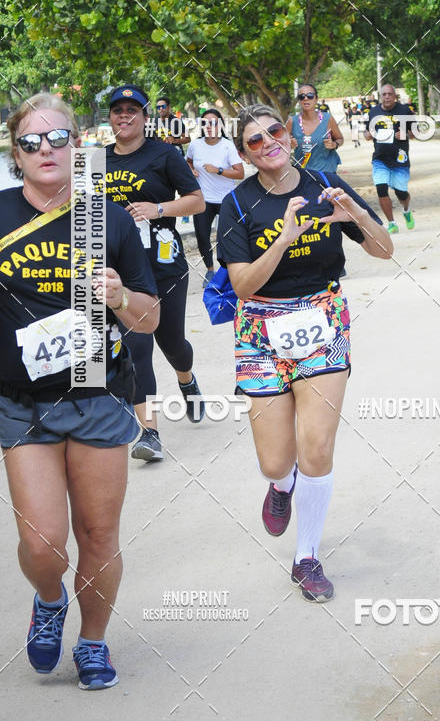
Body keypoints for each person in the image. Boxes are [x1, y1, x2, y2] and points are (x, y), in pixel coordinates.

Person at [0, 93, 159, 689]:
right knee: (43, 543)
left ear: (78, 144)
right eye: (30, 142)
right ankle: (49, 599)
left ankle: (93, 641)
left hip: (97, 393)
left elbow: (148, 318)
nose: (45, 149)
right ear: (16, 155)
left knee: (97, 534)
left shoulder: (106, 219)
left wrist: (120, 297)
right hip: (23, 403)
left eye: (57, 138)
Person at [217, 104, 393, 602]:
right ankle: (281, 485)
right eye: (254, 140)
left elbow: (384, 250)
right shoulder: (237, 205)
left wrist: (355, 215)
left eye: (274, 131)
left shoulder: (324, 184)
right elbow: (242, 286)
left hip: (322, 317)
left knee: (316, 446)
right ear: (245, 154)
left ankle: (307, 556)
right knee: (276, 461)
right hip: (260, 327)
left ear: (290, 138)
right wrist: (284, 239)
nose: (268, 142)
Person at [105, 85, 206, 462]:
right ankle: (149, 433)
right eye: (118, 110)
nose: (124, 115)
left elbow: (197, 201)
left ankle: (186, 379)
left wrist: (158, 209)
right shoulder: (95, 161)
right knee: (137, 347)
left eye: (132, 110)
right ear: (109, 118)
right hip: (123, 270)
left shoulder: (164, 153)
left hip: (164, 264)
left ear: (145, 117)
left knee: (172, 343)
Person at [185, 107, 244, 287]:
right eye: (205, 123)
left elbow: (240, 173)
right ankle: (210, 270)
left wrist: (218, 170)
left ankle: (229, 271)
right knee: (202, 237)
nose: (209, 126)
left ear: (220, 125)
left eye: (213, 122)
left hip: (225, 199)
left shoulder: (227, 146)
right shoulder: (195, 145)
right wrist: (191, 170)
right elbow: (188, 161)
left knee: (225, 237)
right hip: (203, 200)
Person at [364, 83, 417, 233]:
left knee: (401, 194)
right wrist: (368, 135)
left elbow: (416, 132)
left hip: (400, 160)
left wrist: (406, 134)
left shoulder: (404, 111)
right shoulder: (373, 112)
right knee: (381, 189)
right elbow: (366, 132)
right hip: (380, 159)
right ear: (380, 96)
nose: (387, 97)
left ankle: (406, 211)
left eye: (390, 94)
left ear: (395, 96)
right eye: (384, 94)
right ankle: (391, 223)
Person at [288, 83, 344, 173]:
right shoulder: (292, 122)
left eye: (310, 96)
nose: (306, 98)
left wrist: (334, 144)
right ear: (299, 100)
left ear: (316, 98)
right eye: (302, 96)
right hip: (303, 174)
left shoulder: (328, 119)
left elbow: (340, 139)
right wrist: (288, 145)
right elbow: (281, 146)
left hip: (326, 173)